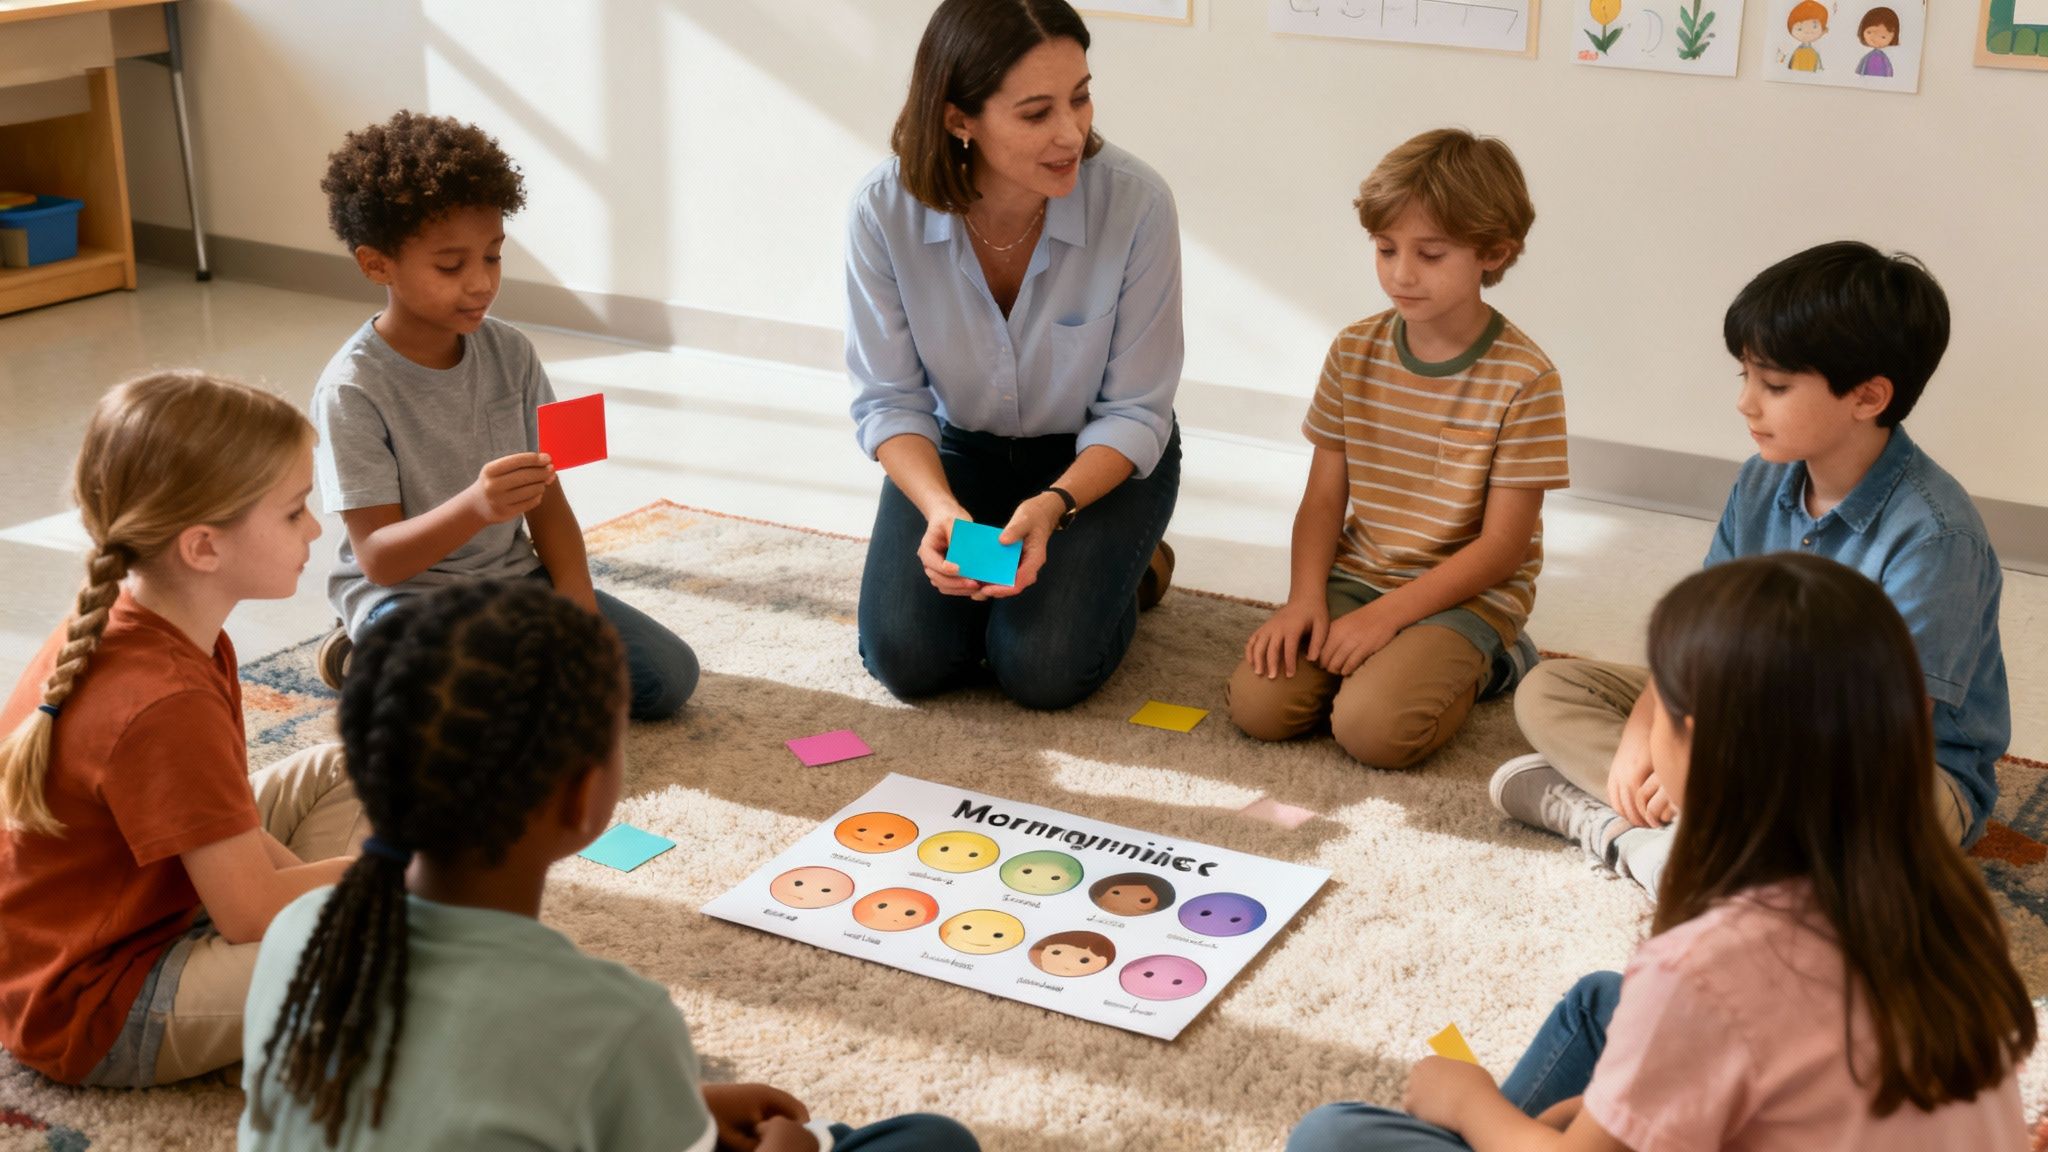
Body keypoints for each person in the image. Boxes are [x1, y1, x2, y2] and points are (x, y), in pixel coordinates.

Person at [1291, 555, 2034, 1151]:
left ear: (1704, 745)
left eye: (1660, 711)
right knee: (1600, 1004)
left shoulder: (1707, 965)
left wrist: (1474, 1105)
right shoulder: (1937, 898)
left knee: (1334, 1135)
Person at [240, 581, 978, 1152]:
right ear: (582, 791)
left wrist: (684, 1103)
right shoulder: (614, 1018)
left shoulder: (303, 931)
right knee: (932, 1141)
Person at [1494, 242, 2007, 896]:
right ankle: (1700, 837)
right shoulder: (1761, 482)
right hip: (1748, 723)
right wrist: (1644, 735)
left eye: (1775, 385)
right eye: (1745, 377)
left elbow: (1883, 724)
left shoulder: (1937, 535)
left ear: (1869, 396)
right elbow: (1699, 636)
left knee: (1849, 830)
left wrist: (1712, 762)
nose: (1746, 403)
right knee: (1550, 690)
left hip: (1891, 769)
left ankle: (1632, 836)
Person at [0, 372, 362, 1088]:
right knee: (412, 921)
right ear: (202, 547)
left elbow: (211, 815)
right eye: (294, 512)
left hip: (135, 919)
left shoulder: (158, 623)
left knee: (345, 771)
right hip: (102, 1010)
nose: (316, 529)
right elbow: (253, 914)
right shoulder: (161, 702)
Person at [847, 0, 1183, 711]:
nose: (1072, 133)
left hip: (1096, 464)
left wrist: (1057, 503)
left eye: (1081, 97)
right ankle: (1061, 568)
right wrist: (940, 506)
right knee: (906, 660)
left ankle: (1133, 564)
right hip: (960, 451)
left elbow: (1134, 409)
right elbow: (889, 400)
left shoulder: (1138, 204)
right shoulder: (883, 211)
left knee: (1040, 669)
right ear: (957, 117)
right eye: (1036, 113)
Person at [310, 110, 696, 720]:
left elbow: (549, 498)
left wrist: (579, 615)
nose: (481, 283)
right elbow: (380, 558)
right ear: (377, 263)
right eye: (450, 265)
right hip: (404, 598)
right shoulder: (352, 389)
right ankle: (358, 653)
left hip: (513, 583)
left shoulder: (512, 351)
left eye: (492, 257)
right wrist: (478, 507)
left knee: (668, 678)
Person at [1226, 129, 1565, 768]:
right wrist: (1305, 600)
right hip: (1362, 574)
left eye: (1430, 254)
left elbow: (1502, 548)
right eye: (1385, 249)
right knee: (1260, 708)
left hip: (1470, 595)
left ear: (1493, 253)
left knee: (1375, 732)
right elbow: (1324, 499)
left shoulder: (1528, 379)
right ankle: (1394, 655)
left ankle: (1499, 661)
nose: (1400, 274)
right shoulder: (1354, 350)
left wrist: (1387, 620)